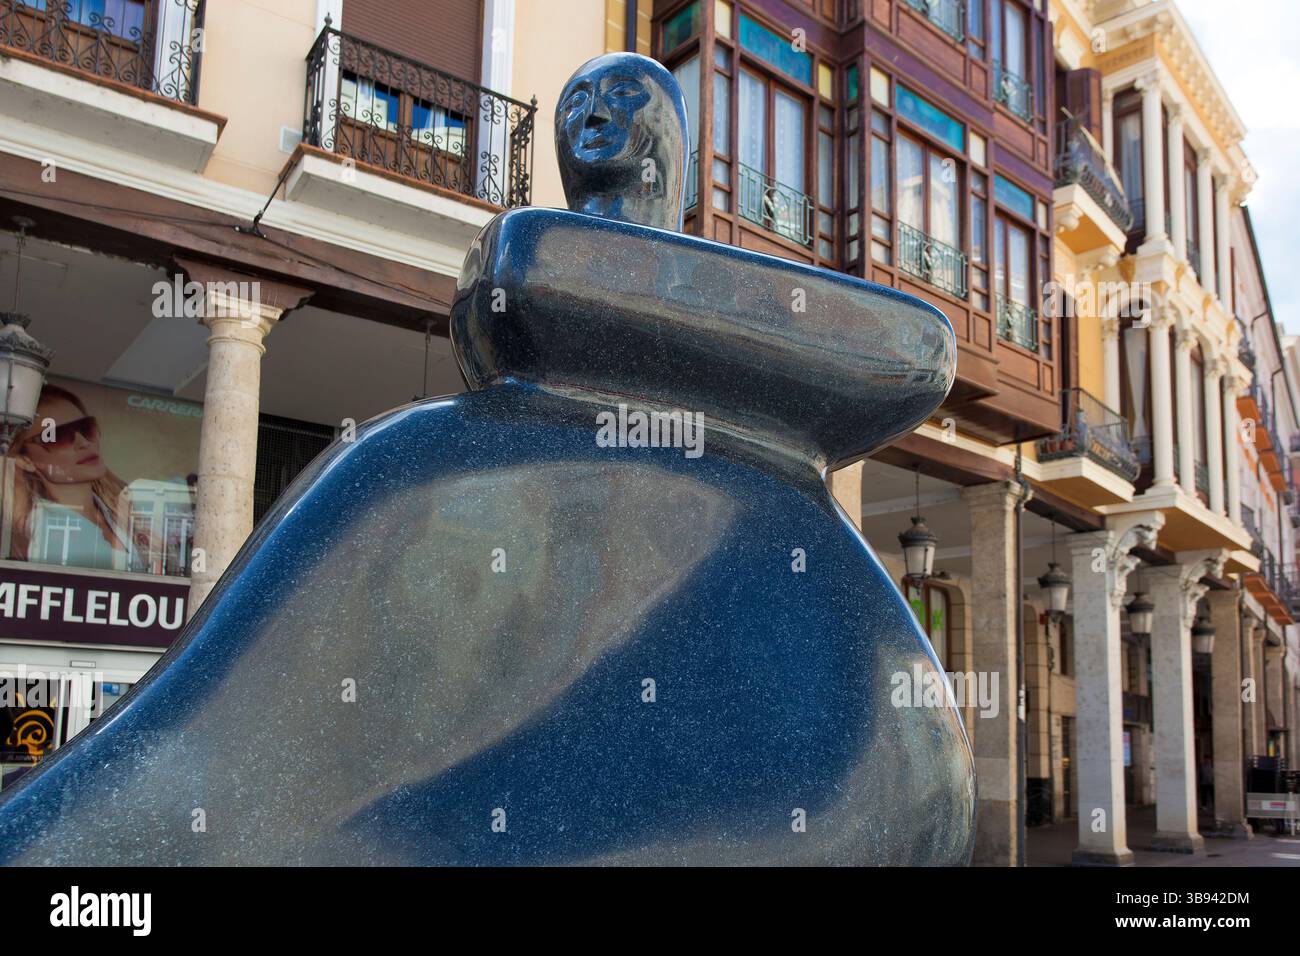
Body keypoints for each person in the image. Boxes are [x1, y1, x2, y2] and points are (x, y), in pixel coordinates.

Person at [5, 383, 135, 571]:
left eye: (85, 428)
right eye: (58, 436)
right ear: (25, 460)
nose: (83, 443)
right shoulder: (49, 527)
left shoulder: (114, 510)